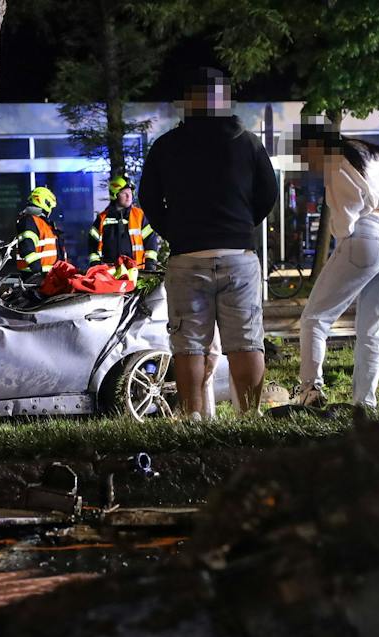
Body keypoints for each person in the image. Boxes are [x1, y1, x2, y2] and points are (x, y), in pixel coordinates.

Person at [140, 66, 277, 417]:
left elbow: (150, 200)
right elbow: (268, 194)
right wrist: (241, 226)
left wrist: (176, 232)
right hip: (237, 256)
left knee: (189, 346)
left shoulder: (166, 146)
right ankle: (249, 415)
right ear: (224, 100)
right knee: (246, 341)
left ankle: (192, 417)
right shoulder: (247, 142)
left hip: (187, 257)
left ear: (187, 102)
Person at [292, 122, 379, 409]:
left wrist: (347, 241)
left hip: (365, 236)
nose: (306, 163)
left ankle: (311, 391)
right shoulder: (368, 156)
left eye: (304, 154)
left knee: (314, 318)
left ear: (315, 145)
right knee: (373, 329)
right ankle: (365, 403)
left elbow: (345, 221)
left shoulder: (336, 161)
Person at [89, 176, 161, 280]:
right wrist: (96, 267)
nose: (129, 196)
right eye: (124, 193)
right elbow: (92, 247)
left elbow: (151, 243)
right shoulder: (102, 219)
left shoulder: (139, 216)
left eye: (130, 192)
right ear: (115, 195)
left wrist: (150, 266)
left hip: (137, 273)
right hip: (109, 275)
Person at [13, 186, 63, 281]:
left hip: (46, 275)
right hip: (35, 276)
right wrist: (37, 271)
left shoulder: (41, 223)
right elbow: (27, 247)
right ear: (45, 203)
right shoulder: (30, 221)